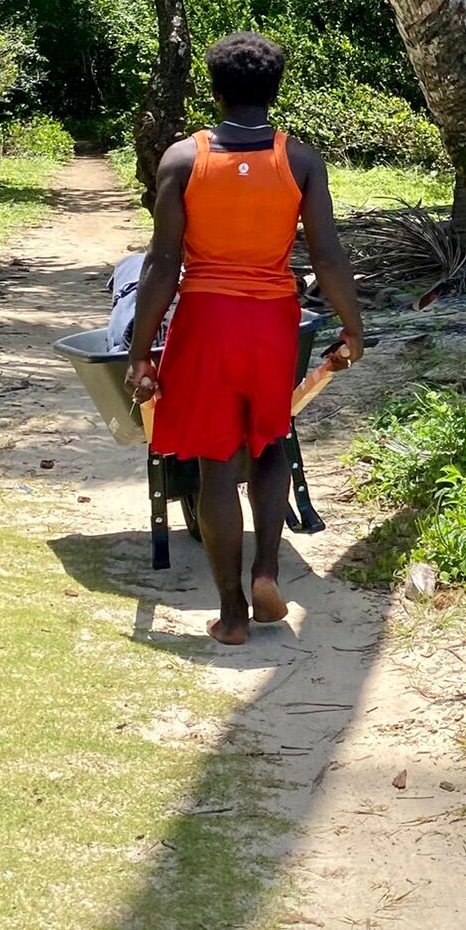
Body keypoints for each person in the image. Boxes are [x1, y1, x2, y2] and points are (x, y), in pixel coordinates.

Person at [125, 33, 363, 645]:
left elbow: (162, 263)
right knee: (271, 441)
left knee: (215, 465)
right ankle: (266, 572)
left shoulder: (184, 159)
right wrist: (352, 326)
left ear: (216, 91)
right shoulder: (299, 160)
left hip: (206, 320)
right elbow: (327, 255)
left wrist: (140, 352)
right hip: (271, 322)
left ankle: (231, 615)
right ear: (274, 90)